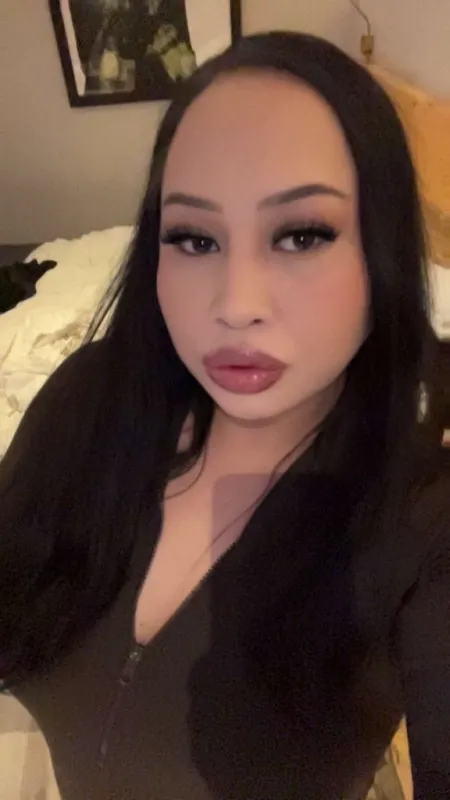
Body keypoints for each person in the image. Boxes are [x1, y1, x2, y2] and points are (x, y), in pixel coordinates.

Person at [0, 32, 449, 800]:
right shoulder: (90, 396)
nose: (236, 305)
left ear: (381, 251)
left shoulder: (424, 517)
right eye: (195, 237)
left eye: (302, 234)